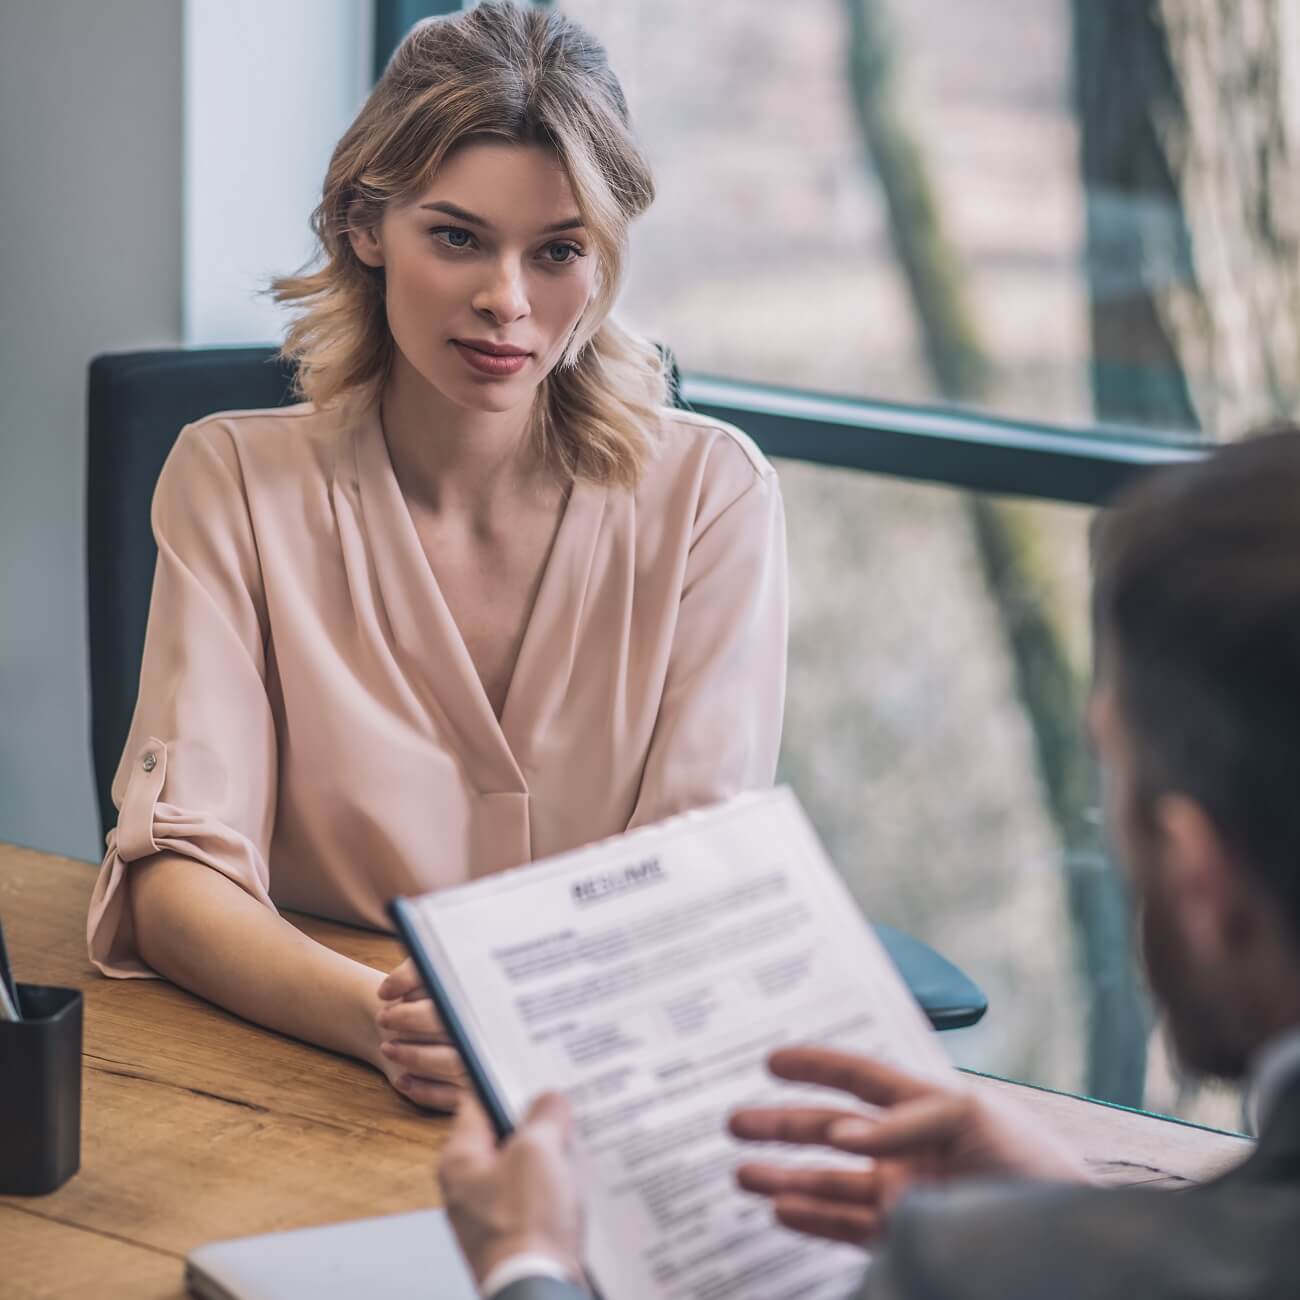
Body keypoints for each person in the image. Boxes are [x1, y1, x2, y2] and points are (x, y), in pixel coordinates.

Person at [86, 2, 786, 1112]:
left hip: (611, 1096)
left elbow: (687, 893)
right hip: (307, 1084)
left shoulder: (713, 498)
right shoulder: (231, 481)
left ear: (603, 265)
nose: (507, 302)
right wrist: (380, 1024)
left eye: (557, 252)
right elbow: (176, 885)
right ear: (365, 227)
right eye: (456, 236)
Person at [437, 428, 1300, 1299]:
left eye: (1116, 779)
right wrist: (1072, 1215)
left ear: (1201, 877)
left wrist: (527, 1262)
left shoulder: (963, 1271)